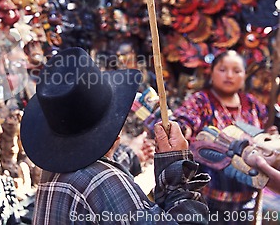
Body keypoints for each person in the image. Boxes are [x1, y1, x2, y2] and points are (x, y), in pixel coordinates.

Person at [20, 47, 209, 224]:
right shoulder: (102, 181)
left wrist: (131, 153)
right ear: (114, 132)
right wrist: (176, 168)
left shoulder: (55, 171)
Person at [172, 50, 271, 222]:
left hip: (248, 201)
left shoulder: (254, 105)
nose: (229, 75)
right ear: (211, 72)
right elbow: (184, 120)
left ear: (244, 75)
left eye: (237, 71)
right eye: (223, 69)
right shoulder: (201, 101)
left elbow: (265, 137)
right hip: (207, 200)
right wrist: (182, 129)